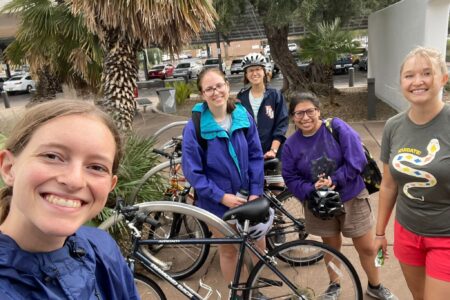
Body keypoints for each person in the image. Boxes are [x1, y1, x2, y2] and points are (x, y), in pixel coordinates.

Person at [0, 100, 138, 299]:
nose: (74, 181)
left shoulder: (103, 249)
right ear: (8, 168)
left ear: (110, 185)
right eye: (52, 156)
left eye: (97, 167)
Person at [281, 92, 397, 300]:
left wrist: (336, 180)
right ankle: (334, 285)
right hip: (319, 204)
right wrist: (311, 188)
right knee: (331, 247)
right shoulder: (291, 145)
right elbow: (290, 176)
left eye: (310, 111)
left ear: (318, 111)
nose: (305, 117)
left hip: (351, 196)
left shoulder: (336, 127)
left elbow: (357, 159)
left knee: (369, 247)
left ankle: (376, 284)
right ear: (292, 117)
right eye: (299, 113)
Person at [374, 46, 450, 300]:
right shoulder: (393, 126)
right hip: (407, 234)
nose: (417, 81)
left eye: (427, 73)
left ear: (443, 78)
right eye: (409, 75)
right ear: (401, 82)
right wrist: (380, 233)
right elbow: (388, 186)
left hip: (446, 237)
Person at [182, 68, 265, 289]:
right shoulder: (195, 127)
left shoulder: (242, 116)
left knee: (258, 246)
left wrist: (256, 191)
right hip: (218, 204)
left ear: (227, 86)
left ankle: (255, 291)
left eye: (219, 85)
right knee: (228, 251)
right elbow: (193, 172)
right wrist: (221, 197)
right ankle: (237, 293)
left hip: (249, 197)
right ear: (202, 94)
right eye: (209, 88)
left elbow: (256, 155)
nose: (215, 91)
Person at [237, 52, 288, 160]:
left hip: (273, 153)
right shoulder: (241, 97)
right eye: (250, 70)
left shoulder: (275, 95)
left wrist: (273, 150)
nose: (254, 73)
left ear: (264, 72)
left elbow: (281, 124)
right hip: (250, 154)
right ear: (246, 74)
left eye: (258, 69)